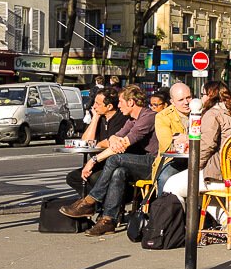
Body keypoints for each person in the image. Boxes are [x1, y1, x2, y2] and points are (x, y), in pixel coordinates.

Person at [60, 85, 158, 236]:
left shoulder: (148, 117)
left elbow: (124, 142)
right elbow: (117, 137)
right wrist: (113, 138)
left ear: (131, 102)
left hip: (155, 162)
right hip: (142, 161)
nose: (119, 106)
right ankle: (108, 220)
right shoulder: (132, 119)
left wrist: (93, 160)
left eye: (120, 102)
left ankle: (90, 202)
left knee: (115, 159)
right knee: (119, 172)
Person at [164, 82, 231, 223]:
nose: (200, 98)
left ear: (209, 96)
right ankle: (227, 221)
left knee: (171, 184)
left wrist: (194, 167)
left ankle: (180, 229)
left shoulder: (213, 114)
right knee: (195, 190)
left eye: (203, 95)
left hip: (220, 175)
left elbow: (207, 145)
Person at [65, 86, 129, 198]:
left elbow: (111, 142)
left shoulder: (122, 119)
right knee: (73, 177)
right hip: (99, 163)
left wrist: (98, 144)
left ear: (109, 106)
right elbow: (86, 142)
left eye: (97, 104)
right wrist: (95, 118)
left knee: (95, 178)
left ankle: (98, 203)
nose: (94, 106)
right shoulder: (100, 118)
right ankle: (92, 204)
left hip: (114, 163)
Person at [151, 82, 191, 193]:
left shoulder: (200, 112)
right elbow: (167, 144)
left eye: (188, 97)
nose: (186, 102)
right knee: (165, 178)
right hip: (173, 160)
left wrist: (184, 138)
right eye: (181, 100)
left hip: (199, 159)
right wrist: (192, 139)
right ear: (172, 102)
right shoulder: (162, 116)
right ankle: (163, 208)